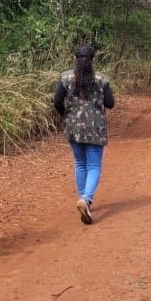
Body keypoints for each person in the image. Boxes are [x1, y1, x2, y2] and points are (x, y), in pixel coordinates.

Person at [53, 44, 115, 225]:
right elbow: (110, 103)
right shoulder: (101, 79)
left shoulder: (65, 78)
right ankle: (86, 199)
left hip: (73, 126)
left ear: (75, 59)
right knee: (94, 165)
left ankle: (83, 198)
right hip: (95, 127)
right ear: (93, 59)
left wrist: (66, 114)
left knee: (80, 163)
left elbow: (57, 101)